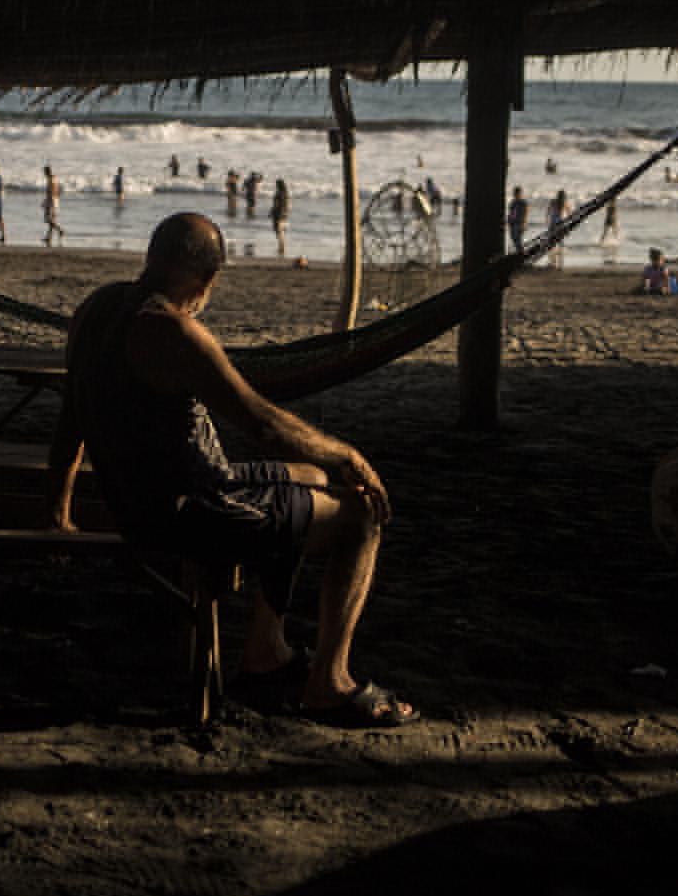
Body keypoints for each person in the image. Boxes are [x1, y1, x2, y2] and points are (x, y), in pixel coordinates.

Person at [50, 213, 415, 727]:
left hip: (138, 497)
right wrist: (348, 456)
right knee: (360, 516)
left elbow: (71, 417)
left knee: (307, 479)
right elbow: (260, 422)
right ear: (206, 280)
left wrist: (58, 508)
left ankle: (266, 649)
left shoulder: (95, 310)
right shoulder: (175, 333)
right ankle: (330, 683)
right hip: (188, 509)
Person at [43, 165, 65, 246]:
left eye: (44, 171)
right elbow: (59, 189)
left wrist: (46, 201)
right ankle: (48, 237)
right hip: (55, 200)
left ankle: (60, 230)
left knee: (48, 219)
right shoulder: (55, 179)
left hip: (51, 201)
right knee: (52, 219)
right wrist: (57, 197)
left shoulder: (50, 180)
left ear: (47, 172)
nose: (44, 173)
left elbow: (51, 191)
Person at [546, 189, 569, 267]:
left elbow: (548, 211)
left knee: (552, 241)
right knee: (559, 242)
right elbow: (569, 213)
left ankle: (553, 260)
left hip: (554, 223)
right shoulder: (564, 202)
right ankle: (558, 259)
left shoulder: (554, 201)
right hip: (560, 223)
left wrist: (547, 218)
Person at [269, 178, 290, 255]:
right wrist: (286, 212)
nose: (275, 185)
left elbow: (275, 204)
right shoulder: (286, 193)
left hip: (278, 213)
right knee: (281, 230)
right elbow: (287, 204)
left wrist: (271, 212)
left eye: (276, 184)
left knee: (278, 231)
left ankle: (281, 247)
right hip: (284, 213)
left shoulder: (278, 194)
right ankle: (281, 246)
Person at [505, 186, 529, 251]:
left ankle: (521, 253)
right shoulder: (512, 202)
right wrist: (509, 220)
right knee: (514, 239)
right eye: (514, 193)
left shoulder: (522, 203)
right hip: (513, 223)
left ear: (520, 194)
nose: (515, 195)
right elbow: (510, 213)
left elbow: (525, 214)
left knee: (517, 240)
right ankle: (519, 252)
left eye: (516, 193)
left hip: (518, 223)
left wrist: (523, 224)